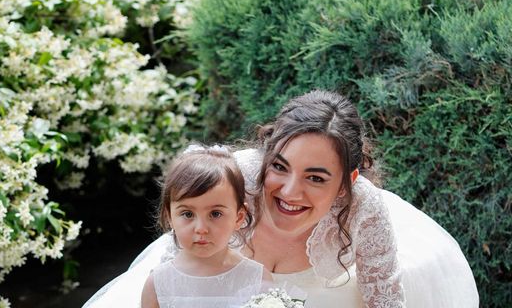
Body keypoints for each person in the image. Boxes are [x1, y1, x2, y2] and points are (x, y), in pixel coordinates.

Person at [82, 90, 479, 308]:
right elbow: (179, 278)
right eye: (280, 167)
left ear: (346, 183)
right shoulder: (236, 178)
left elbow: (385, 303)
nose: (289, 191)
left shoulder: (364, 206)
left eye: (316, 177)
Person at [140, 146, 272, 308]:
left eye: (215, 214)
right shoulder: (158, 284)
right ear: (169, 217)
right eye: (188, 214)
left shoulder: (257, 278)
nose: (201, 228)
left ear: (239, 217)